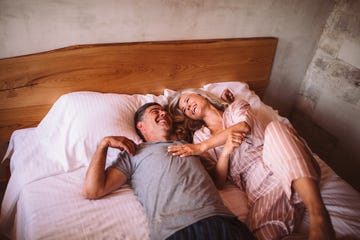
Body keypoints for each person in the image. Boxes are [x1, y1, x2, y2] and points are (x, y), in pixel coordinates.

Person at [167, 89, 336, 240]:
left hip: (282, 159)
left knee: (276, 128)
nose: (188, 107)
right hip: (258, 187)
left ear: (201, 94)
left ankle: (319, 216)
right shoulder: (200, 137)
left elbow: (242, 127)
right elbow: (219, 182)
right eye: (184, 110)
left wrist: (201, 147)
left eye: (187, 100)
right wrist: (225, 152)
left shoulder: (235, 108)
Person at [83, 102, 255, 240]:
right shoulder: (134, 153)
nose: (164, 113)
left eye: (165, 111)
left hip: (224, 221)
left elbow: (218, 182)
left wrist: (225, 153)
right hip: (177, 230)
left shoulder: (190, 147)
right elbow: (94, 190)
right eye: (155, 111)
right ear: (140, 125)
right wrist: (103, 145)